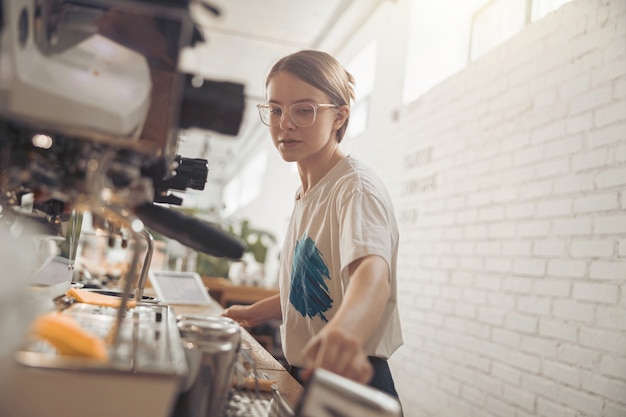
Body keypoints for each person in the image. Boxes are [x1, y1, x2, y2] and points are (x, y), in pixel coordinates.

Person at [222, 49, 403, 398]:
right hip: (307, 370)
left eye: (303, 110)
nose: (285, 123)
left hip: (351, 376)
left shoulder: (354, 188)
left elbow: (373, 273)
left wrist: (345, 332)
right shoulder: (306, 193)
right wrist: (252, 312)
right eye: (275, 110)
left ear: (339, 117)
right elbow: (304, 291)